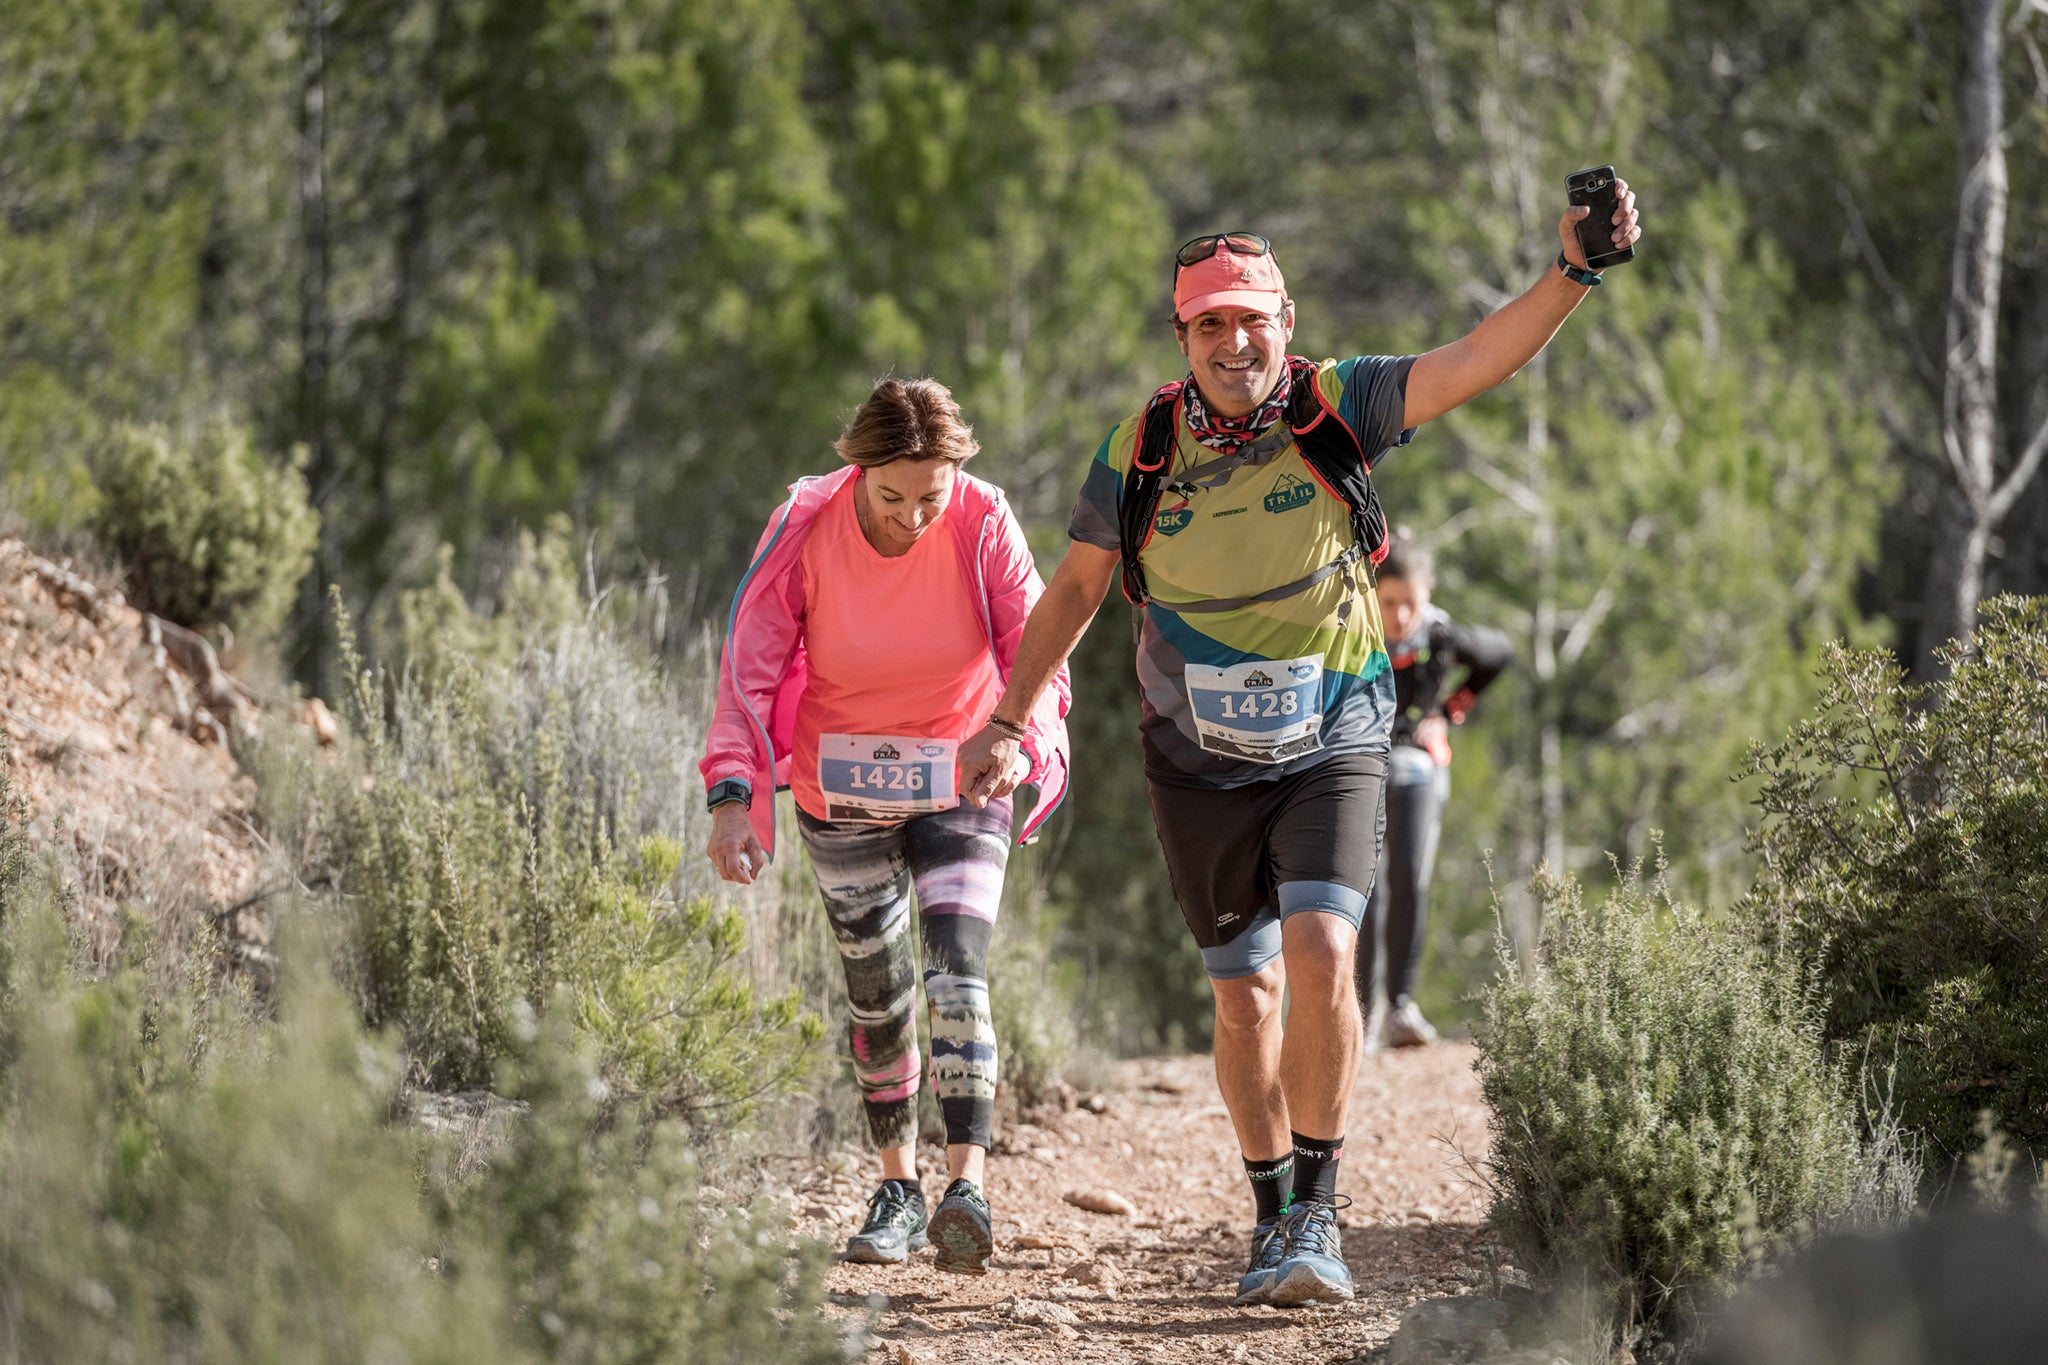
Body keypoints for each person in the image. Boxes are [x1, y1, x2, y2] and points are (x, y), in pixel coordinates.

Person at [958, 184, 1640, 1306]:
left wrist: (1571, 272)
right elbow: (1077, 588)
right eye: (1209, 324)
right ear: (1183, 338)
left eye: (1252, 319)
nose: (1235, 341)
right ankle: (1271, 1204)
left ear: (1286, 321)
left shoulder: (1339, 403)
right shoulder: (1140, 447)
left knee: (1323, 947)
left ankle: (1319, 1213)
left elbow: (1474, 360)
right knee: (1242, 998)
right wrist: (1003, 719)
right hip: (1194, 755)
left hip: (1335, 728)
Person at [700, 377, 1071, 1275]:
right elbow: (748, 664)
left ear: (957, 476)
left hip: (963, 771)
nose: (911, 516)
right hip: (843, 786)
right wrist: (730, 794)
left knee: (957, 963)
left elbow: (1038, 645)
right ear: (856, 470)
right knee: (878, 991)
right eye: (891, 495)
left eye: (928, 497)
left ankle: (966, 1188)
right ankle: (898, 1187)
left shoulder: (983, 519)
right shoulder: (806, 523)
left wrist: (1020, 737)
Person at [1355, 532, 1513, 1049]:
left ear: (1427, 597)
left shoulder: (1439, 634)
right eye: (1389, 603)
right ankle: (1360, 1014)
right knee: (1366, 891)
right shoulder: (1354, 633)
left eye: (1411, 604)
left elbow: (1500, 654)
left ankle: (1401, 1008)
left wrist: (1450, 711)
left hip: (1421, 770)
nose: (1400, 617)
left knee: (1410, 882)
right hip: (1363, 769)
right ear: (1371, 596)